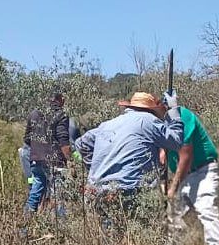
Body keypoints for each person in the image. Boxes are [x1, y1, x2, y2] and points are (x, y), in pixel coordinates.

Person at [75, 91, 184, 232]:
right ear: (152, 111)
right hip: (131, 190)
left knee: (108, 240)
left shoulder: (107, 124)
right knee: (142, 234)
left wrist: (95, 167)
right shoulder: (149, 121)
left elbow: (81, 144)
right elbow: (176, 141)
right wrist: (174, 110)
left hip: (97, 190)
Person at [162, 105, 219, 245]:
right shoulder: (159, 124)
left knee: (207, 211)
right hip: (182, 176)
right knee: (173, 216)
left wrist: (172, 188)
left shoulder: (184, 116)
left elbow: (186, 155)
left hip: (203, 171)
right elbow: (162, 156)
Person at [23, 90, 72, 215]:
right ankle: (60, 228)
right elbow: (63, 140)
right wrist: (70, 161)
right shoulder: (61, 115)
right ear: (59, 100)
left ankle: (26, 223)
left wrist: (38, 148)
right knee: (58, 195)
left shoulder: (34, 113)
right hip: (55, 162)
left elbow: (27, 139)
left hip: (36, 160)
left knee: (36, 191)